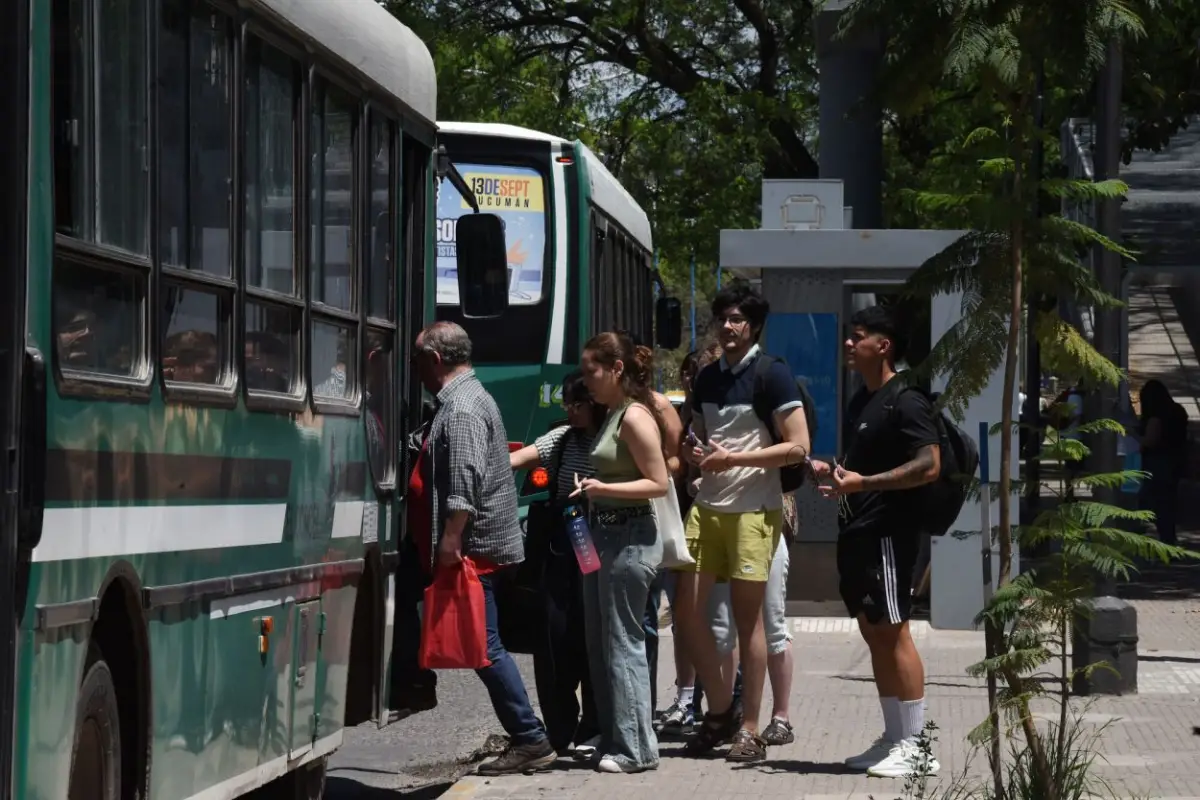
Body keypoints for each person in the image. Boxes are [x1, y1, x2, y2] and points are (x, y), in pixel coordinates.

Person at [675, 281, 810, 762]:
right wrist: (692, 451)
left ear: (753, 327)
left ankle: (749, 729)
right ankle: (719, 710)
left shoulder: (773, 374)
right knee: (686, 615)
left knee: (748, 622)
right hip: (707, 509)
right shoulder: (708, 378)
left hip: (754, 512)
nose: (728, 326)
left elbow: (799, 446)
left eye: (738, 319)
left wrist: (734, 459)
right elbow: (697, 437)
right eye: (723, 319)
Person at [413, 321, 555, 775]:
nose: (416, 369)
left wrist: (451, 537)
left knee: (483, 645)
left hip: (475, 549)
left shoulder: (462, 408)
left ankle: (530, 738)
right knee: (483, 642)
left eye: (418, 360)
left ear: (435, 360)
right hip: (477, 547)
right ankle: (528, 735)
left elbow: (465, 479)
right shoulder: (464, 399)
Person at [810, 305, 941, 778]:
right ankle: (895, 737)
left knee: (894, 630)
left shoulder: (906, 399)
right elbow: (863, 468)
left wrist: (864, 484)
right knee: (874, 631)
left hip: (890, 533)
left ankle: (918, 747)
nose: (849, 343)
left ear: (883, 346)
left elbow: (929, 464)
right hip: (859, 532)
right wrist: (836, 473)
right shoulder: (861, 400)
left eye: (859, 335)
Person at [575, 331, 670, 773]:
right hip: (606, 535)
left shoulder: (634, 416)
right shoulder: (614, 413)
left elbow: (659, 482)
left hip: (630, 537)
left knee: (623, 643)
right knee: (602, 644)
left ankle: (637, 750)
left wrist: (603, 488)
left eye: (592, 370)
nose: (586, 380)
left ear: (616, 369)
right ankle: (617, 738)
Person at [509, 371, 604, 759]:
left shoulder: (611, 439)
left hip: (599, 542)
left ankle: (595, 727)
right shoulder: (562, 438)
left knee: (592, 634)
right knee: (554, 635)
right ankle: (560, 727)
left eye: (576, 404)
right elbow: (518, 459)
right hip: (565, 541)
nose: (570, 411)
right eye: (567, 403)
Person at [1136, 379, 1189, 545]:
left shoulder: (1155, 418)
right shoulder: (1178, 411)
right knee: (1168, 504)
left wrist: (1136, 438)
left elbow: (1149, 441)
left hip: (1157, 465)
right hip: (1175, 462)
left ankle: (1164, 541)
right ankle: (1169, 540)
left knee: (1155, 504)